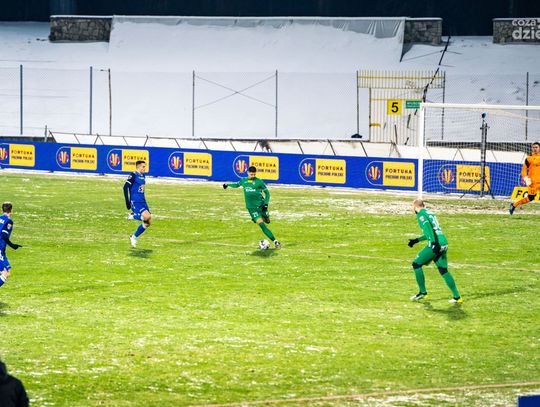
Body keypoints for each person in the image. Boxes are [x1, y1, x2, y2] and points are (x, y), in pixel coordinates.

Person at [407, 199, 462, 303]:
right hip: (443, 242)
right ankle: (457, 297)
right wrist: (416, 240)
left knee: (416, 264)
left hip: (436, 243)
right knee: (443, 270)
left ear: (415, 207)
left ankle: (423, 292)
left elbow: (428, 229)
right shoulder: (430, 213)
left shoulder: (421, 215)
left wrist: (433, 243)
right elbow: (432, 232)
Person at [223, 166, 281, 249]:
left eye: (254, 174)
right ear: (248, 173)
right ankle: (275, 241)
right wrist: (227, 185)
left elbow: (267, 193)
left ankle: (265, 216)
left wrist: (266, 204)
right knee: (262, 225)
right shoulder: (244, 181)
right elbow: (236, 184)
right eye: (251, 174)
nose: (253, 176)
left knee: (267, 221)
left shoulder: (259, 182)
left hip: (261, 206)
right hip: (252, 209)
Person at [123, 160, 152, 248]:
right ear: (138, 167)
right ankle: (133, 216)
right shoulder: (133, 175)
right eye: (143, 166)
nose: (144, 168)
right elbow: (125, 187)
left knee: (148, 222)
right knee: (146, 217)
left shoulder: (143, 175)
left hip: (142, 201)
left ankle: (133, 237)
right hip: (135, 201)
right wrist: (127, 202)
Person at [510, 142, 540, 215]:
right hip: (533, 182)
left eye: (536, 147)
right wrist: (525, 178)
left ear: (539, 148)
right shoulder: (529, 159)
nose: (535, 149)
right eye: (533, 147)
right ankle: (514, 205)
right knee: (530, 198)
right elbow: (523, 170)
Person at [0, 203, 22, 289]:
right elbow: (4, 235)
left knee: (5, 272)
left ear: (2, 210)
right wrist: (13, 246)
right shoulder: (8, 221)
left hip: (1, 251)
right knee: (6, 273)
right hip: (0, 250)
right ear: (11, 210)